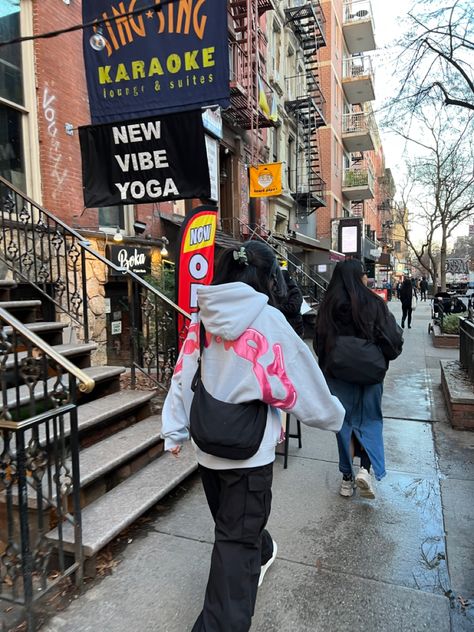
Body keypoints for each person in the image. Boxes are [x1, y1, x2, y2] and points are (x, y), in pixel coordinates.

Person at [161, 240, 345, 632]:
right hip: (249, 453)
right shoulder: (269, 321)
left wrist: (174, 429)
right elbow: (301, 379)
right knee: (234, 543)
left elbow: (183, 375)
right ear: (268, 279)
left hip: (209, 446)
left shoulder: (202, 319)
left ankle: (259, 550)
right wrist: (334, 417)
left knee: (232, 528)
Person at [313, 259, 403, 500]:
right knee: (370, 419)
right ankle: (365, 468)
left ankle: (346, 478)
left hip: (338, 374)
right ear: (359, 277)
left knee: (344, 424)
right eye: (364, 274)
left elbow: (318, 343)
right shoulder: (374, 303)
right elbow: (392, 341)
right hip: (370, 374)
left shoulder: (328, 306)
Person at [277, 266, 304, 337]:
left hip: (294, 328)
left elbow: (293, 308)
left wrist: (276, 307)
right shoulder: (279, 290)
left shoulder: (294, 291)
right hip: (283, 327)